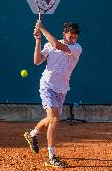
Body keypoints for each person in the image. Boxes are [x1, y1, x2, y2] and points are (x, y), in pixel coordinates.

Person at [24, 20, 82, 168]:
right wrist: (38, 41)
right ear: (64, 34)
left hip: (62, 89)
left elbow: (57, 45)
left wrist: (42, 29)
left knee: (50, 119)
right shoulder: (49, 45)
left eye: (75, 37)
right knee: (55, 119)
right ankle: (51, 156)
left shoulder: (76, 48)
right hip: (47, 85)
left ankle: (32, 134)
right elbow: (37, 61)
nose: (73, 40)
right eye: (71, 37)